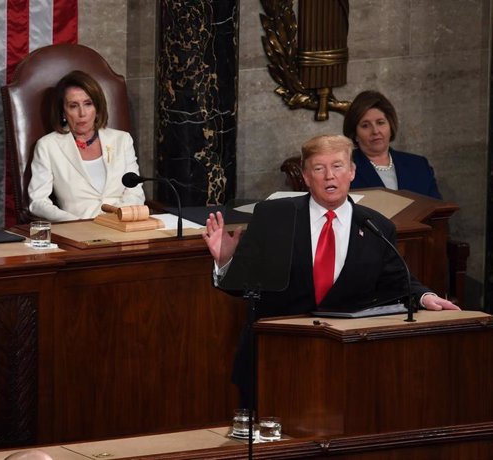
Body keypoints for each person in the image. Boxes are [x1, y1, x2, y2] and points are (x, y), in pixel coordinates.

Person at [202, 134, 459, 406]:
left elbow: (397, 281)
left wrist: (424, 297)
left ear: (352, 172)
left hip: (344, 362)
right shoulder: (274, 215)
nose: (329, 176)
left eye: (337, 166)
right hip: (275, 357)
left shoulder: (376, 227)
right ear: (305, 176)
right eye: (319, 168)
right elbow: (243, 288)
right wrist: (226, 261)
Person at [27, 70, 145, 222]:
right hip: (78, 231)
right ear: (63, 112)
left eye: (88, 104)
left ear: (97, 108)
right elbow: (38, 202)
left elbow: (135, 193)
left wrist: (115, 219)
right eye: (73, 106)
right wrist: (73, 222)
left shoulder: (122, 140)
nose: (82, 113)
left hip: (121, 227)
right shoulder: (48, 146)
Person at [343, 90, 441, 199]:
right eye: (365, 126)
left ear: (390, 126)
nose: (375, 131)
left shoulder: (419, 166)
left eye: (380, 123)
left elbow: (437, 210)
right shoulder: (343, 169)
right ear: (355, 134)